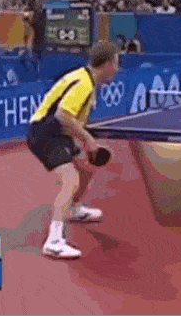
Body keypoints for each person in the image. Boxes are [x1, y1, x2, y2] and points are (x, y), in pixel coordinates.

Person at [27, 41, 121, 259]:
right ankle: (54, 242)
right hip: (44, 133)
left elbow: (70, 119)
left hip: (58, 132)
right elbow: (62, 115)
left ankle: (73, 209)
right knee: (70, 180)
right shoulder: (84, 84)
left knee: (86, 169)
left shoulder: (86, 79)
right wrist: (88, 139)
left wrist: (83, 141)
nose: (117, 69)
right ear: (107, 64)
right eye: (116, 63)